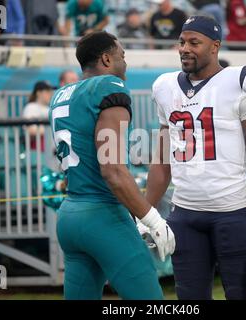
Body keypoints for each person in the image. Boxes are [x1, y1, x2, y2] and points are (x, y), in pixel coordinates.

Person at [146, 15, 246, 300]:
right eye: (182, 42)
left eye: (194, 42)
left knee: (243, 294)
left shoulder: (240, 81)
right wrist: (145, 214)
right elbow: (162, 160)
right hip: (184, 213)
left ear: (215, 46)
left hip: (232, 211)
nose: (185, 48)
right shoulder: (164, 86)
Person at [49, 31, 175, 300]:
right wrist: (152, 219)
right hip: (102, 215)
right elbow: (113, 170)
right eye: (122, 56)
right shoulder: (109, 86)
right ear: (106, 59)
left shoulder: (61, 94)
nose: (125, 63)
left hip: (70, 214)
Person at [23, 80, 55, 151]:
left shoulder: (50, 108)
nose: (50, 94)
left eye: (51, 92)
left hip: (51, 149)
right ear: (38, 93)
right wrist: (51, 129)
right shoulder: (31, 107)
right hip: (37, 150)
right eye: (47, 91)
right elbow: (31, 130)